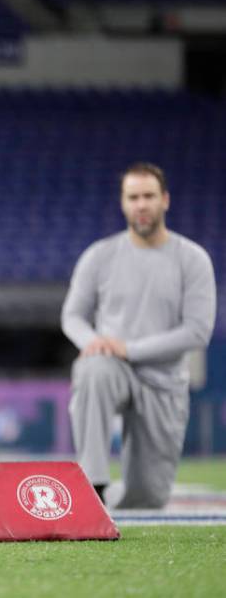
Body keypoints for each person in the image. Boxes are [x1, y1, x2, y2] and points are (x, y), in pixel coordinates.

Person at [61, 163, 216, 508]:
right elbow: (71, 316)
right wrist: (94, 343)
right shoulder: (99, 256)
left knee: (146, 498)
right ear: (123, 203)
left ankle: (121, 496)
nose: (141, 205)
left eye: (148, 196)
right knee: (92, 368)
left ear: (165, 200)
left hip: (163, 383)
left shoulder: (192, 259)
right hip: (113, 369)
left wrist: (128, 348)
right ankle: (93, 485)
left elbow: (197, 331)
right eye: (133, 197)